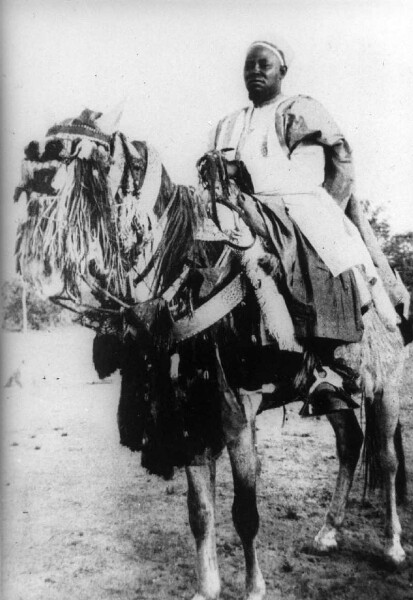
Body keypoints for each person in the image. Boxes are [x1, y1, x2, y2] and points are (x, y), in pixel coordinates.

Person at [208, 38, 409, 413]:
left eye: (263, 65)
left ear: (282, 71)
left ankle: (328, 364)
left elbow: (322, 167)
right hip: (245, 209)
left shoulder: (299, 111)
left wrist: (323, 208)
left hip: (302, 206)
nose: (254, 72)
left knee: (324, 264)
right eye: (249, 66)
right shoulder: (231, 124)